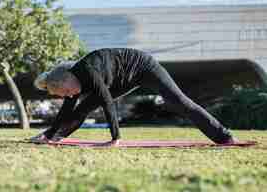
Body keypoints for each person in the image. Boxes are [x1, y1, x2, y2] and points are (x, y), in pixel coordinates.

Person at [31, 48, 237, 146]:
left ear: (66, 78)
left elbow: (107, 103)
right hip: (121, 79)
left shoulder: (88, 71)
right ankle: (56, 137)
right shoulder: (71, 82)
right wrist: (49, 135)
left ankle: (224, 136)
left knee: (179, 101)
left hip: (144, 66)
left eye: (66, 92)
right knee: (80, 109)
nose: (69, 95)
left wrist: (115, 138)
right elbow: (67, 111)